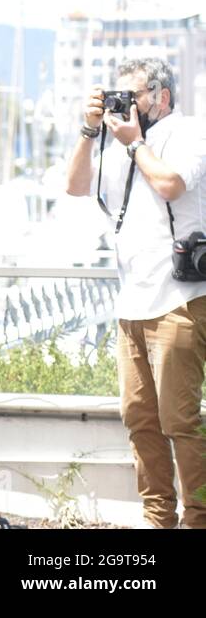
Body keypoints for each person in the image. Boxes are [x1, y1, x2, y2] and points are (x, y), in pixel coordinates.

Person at [64, 57, 206, 529]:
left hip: (179, 302)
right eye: (114, 95)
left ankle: (198, 519)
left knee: (181, 422)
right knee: (139, 419)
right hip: (131, 305)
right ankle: (158, 519)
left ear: (161, 97)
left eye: (133, 95)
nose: (121, 104)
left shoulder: (186, 132)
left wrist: (136, 141)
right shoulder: (115, 141)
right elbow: (75, 186)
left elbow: (170, 184)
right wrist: (89, 131)